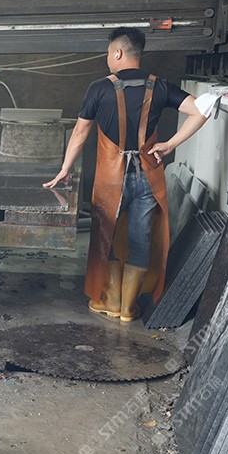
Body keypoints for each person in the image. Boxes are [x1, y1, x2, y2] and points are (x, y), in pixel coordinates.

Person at [43, 27, 208, 322]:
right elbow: (201, 110)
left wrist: (65, 169)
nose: (108, 58)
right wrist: (170, 144)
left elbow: (80, 132)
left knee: (105, 234)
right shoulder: (160, 86)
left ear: (117, 52)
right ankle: (128, 308)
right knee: (140, 237)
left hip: (111, 177)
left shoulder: (99, 88)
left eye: (109, 52)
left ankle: (111, 300)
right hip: (148, 176)